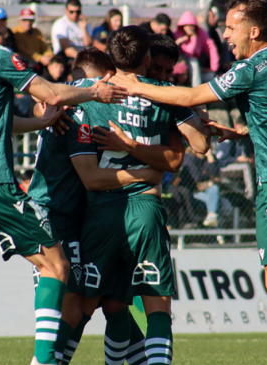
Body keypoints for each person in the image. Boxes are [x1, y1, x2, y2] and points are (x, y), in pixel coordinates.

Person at [110, 1, 267, 364]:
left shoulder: (251, 69)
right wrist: (240, 133)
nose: (225, 35)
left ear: (253, 31)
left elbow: (188, 97)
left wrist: (135, 84)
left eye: (232, 27)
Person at [0, 0, 124, 364]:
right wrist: (94, 92)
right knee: (56, 266)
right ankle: (43, 360)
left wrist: (42, 122)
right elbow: (50, 93)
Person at [62, 26, 213, 365]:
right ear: (147, 58)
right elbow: (201, 145)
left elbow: (53, 96)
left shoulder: (91, 91)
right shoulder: (163, 93)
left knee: (86, 306)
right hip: (145, 206)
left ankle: (50, 359)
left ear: (110, 58)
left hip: (100, 211)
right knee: (156, 303)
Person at [29, 47, 154, 365]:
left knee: (101, 300)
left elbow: (42, 103)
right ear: (102, 78)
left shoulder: (65, 106)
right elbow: (90, 178)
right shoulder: (77, 113)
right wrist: (142, 173)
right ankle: (44, 362)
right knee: (78, 305)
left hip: (74, 217)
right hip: (55, 215)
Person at [174, 10, 220, 85]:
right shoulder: (177, 34)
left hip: (197, 66)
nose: (189, 28)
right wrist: (192, 38)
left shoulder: (201, 33)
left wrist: (213, 68)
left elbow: (211, 48)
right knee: (193, 62)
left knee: (210, 76)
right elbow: (189, 53)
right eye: (187, 25)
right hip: (181, 64)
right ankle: (195, 88)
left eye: (192, 25)